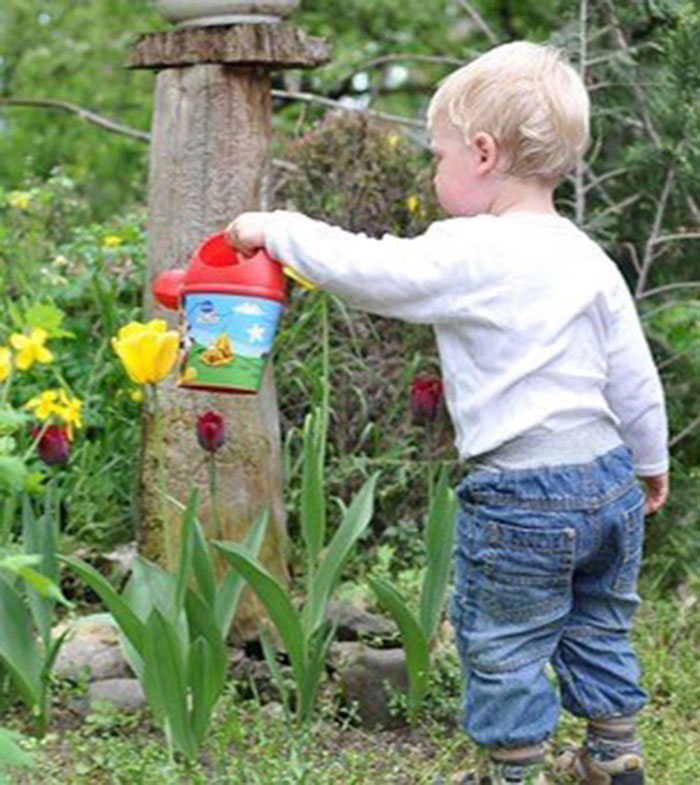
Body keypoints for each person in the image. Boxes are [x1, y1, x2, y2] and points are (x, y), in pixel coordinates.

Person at [225, 41, 668, 785]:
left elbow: (370, 271)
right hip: (607, 478)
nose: (435, 173)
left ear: (485, 154)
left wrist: (276, 230)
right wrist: (649, 461)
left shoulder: (472, 249)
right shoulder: (587, 257)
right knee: (597, 623)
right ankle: (613, 750)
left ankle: (513, 771)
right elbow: (634, 376)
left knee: (504, 639)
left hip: (522, 492)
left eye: (440, 155)